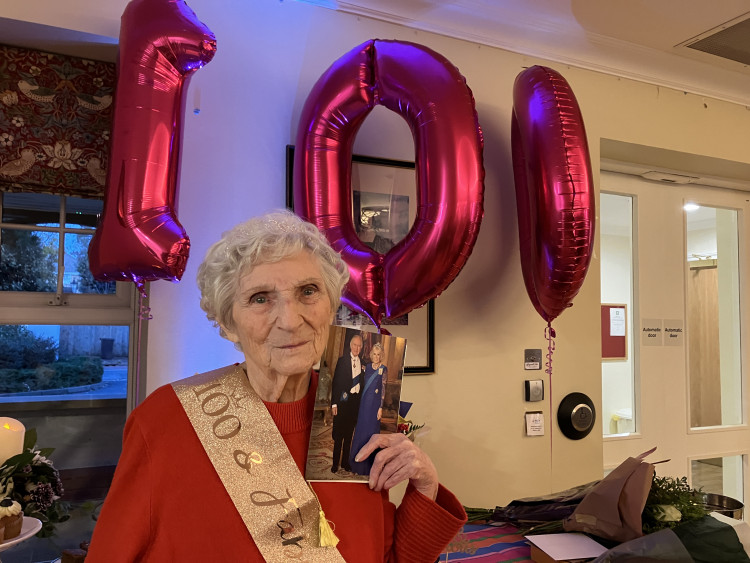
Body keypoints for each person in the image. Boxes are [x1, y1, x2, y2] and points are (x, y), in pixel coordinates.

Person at [86, 210, 466, 562]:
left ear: (331, 305)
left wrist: (425, 485)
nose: (290, 319)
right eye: (260, 298)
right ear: (228, 323)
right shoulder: (166, 419)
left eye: (308, 291)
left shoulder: (355, 406)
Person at [349, 342, 387, 476]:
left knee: (372, 433)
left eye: (378, 355)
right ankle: (356, 464)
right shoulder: (367, 367)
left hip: (375, 406)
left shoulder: (384, 369)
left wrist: (380, 408)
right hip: (364, 404)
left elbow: (383, 389)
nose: (376, 357)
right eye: (374, 354)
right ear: (372, 355)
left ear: (381, 355)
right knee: (361, 431)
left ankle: (368, 467)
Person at [330, 332, 363, 474]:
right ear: (350, 345)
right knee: (339, 435)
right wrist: (334, 404)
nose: (356, 348)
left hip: (354, 404)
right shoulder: (342, 361)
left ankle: (345, 463)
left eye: (359, 346)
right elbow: (336, 383)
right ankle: (335, 464)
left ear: (361, 348)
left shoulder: (364, 364)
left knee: (349, 435)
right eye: (354, 345)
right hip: (343, 402)